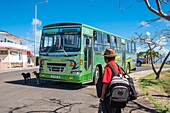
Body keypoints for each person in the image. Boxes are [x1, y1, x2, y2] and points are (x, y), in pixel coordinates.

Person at [100, 48, 123, 113]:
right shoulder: (118, 66)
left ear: (106, 59)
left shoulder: (108, 67)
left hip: (110, 97)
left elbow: (105, 83)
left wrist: (102, 97)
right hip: (118, 96)